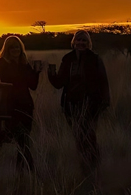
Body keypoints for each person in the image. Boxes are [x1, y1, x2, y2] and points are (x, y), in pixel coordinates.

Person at [47, 30, 110, 173]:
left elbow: (103, 82)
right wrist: (51, 74)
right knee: (78, 136)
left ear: (88, 43)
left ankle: (94, 167)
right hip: (71, 105)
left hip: (91, 105)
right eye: (78, 41)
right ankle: (84, 167)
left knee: (89, 136)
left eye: (84, 41)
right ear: (74, 42)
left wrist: (104, 103)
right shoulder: (68, 59)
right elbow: (59, 83)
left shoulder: (95, 59)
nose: (81, 43)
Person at [0, 36, 40, 170]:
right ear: (7, 50)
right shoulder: (2, 63)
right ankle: (31, 172)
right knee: (22, 140)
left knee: (24, 140)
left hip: (26, 105)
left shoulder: (25, 64)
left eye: (17, 47)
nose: (15, 50)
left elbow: (33, 86)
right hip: (10, 106)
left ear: (21, 48)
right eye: (12, 47)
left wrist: (36, 73)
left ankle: (22, 175)